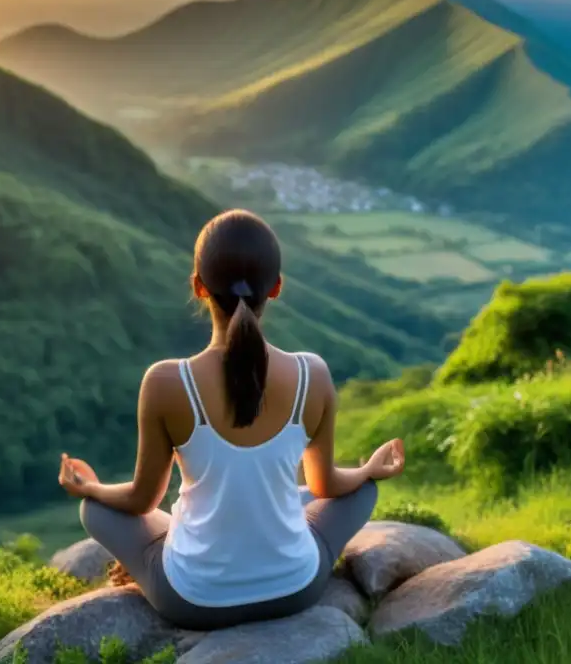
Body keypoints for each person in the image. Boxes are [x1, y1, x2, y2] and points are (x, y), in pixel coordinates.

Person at [57, 208, 406, 631]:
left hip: (191, 600)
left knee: (96, 511)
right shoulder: (313, 374)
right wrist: (368, 469)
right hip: (294, 589)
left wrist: (89, 487)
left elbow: (141, 501)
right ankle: (197, 552)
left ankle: (151, 568)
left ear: (198, 287)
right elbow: (325, 486)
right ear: (276, 288)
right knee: (361, 492)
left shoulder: (166, 382)